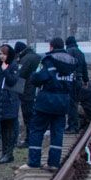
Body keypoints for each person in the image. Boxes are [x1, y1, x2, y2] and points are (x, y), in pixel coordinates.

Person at [23, 37, 78, 171]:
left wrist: (34, 78)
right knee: (57, 132)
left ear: (51, 46)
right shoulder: (71, 62)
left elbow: (38, 78)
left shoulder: (48, 61)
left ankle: (34, 162)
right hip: (63, 102)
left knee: (36, 130)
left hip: (46, 102)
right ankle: (53, 163)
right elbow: (75, 83)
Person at [0, 44, 22, 164]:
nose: (1, 56)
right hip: (0, 101)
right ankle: (4, 152)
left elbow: (13, 81)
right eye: (0, 54)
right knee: (3, 128)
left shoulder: (13, 66)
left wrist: (5, 71)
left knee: (9, 128)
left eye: (4, 54)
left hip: (10, 101)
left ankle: (9, 153)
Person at [15, 41, 41, 147]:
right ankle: (35, 138)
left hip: (28, 92)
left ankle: (29, 140)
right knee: (35, 116)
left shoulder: (25, 59)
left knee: (28, 117)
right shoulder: (37, 57)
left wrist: (15, 91)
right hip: (38, 91)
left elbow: (20, 76)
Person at [64, 36, 90, 134]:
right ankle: (74, 125)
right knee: (74, 103)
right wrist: (86, 80)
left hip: (70, 80)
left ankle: (72, 126)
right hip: (78, 80)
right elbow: (85, 67)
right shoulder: (81, 53)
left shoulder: (68, 52)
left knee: (71, 104)